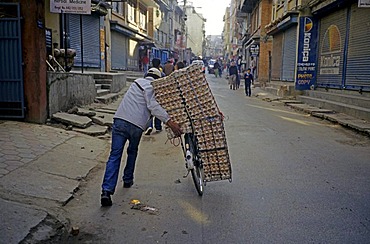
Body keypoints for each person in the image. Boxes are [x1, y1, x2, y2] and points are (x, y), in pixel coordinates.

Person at [101, 68, 182, 206]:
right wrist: (170, 122)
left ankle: (106, 191)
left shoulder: (136, 83)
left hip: (120, 120)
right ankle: (127, 179)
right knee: (132, 151)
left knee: (115, 155)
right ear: (157, 80)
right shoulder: (151, 87)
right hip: (136, 126)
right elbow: (153, 106)